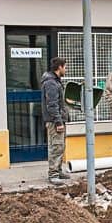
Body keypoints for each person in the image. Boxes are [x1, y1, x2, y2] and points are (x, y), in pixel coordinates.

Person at [41, 57, 70, 185]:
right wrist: (58, 122)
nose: (66, 69)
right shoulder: (51, 83)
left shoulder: (55, 81)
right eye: (65, 67)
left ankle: (58, 170)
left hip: (58, 119)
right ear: (60, 67)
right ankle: (53, 174)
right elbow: (52, 104)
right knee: (56, 147)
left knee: (60, 146)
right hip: (54, 121)